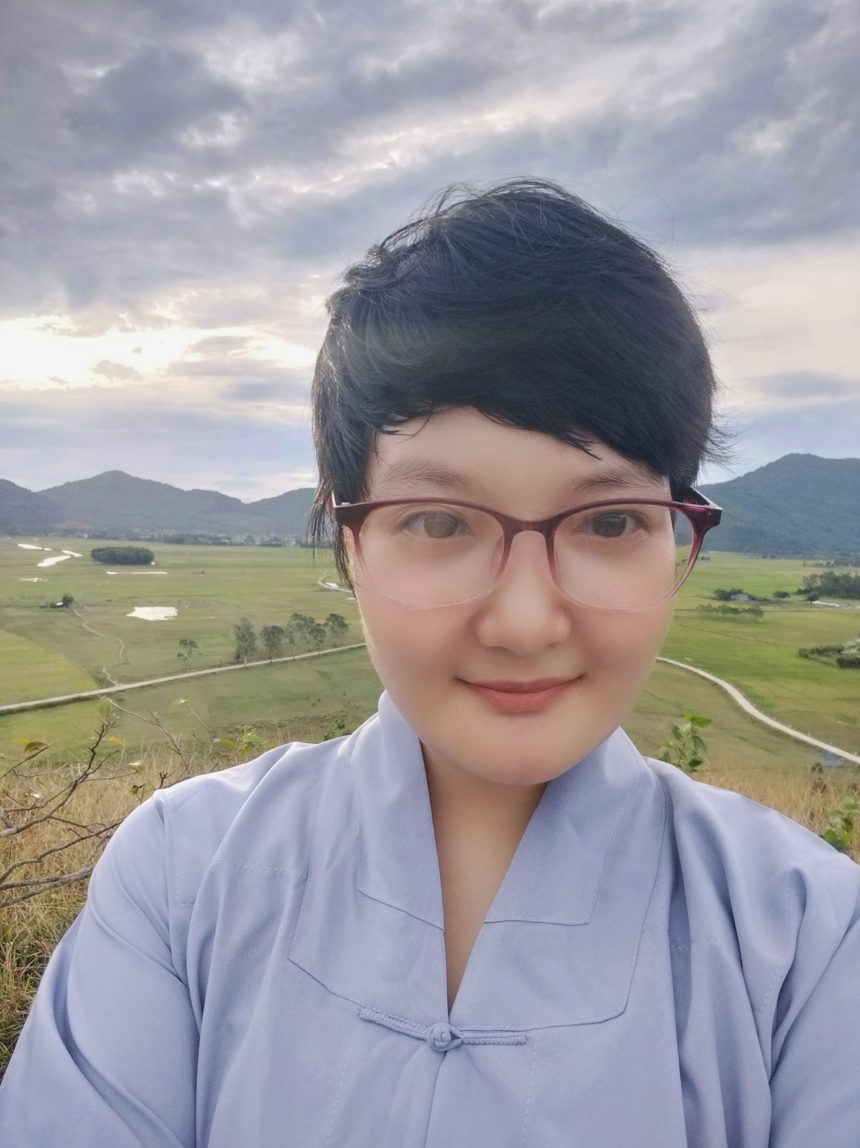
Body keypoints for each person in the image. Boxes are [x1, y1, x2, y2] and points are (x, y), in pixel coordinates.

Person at [1, 179, 858, 1146]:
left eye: (612, 521)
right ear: (349, 543)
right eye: (441, 522)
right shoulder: (180, 874)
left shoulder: (808, 938)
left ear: (676, 537)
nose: (525, 622)